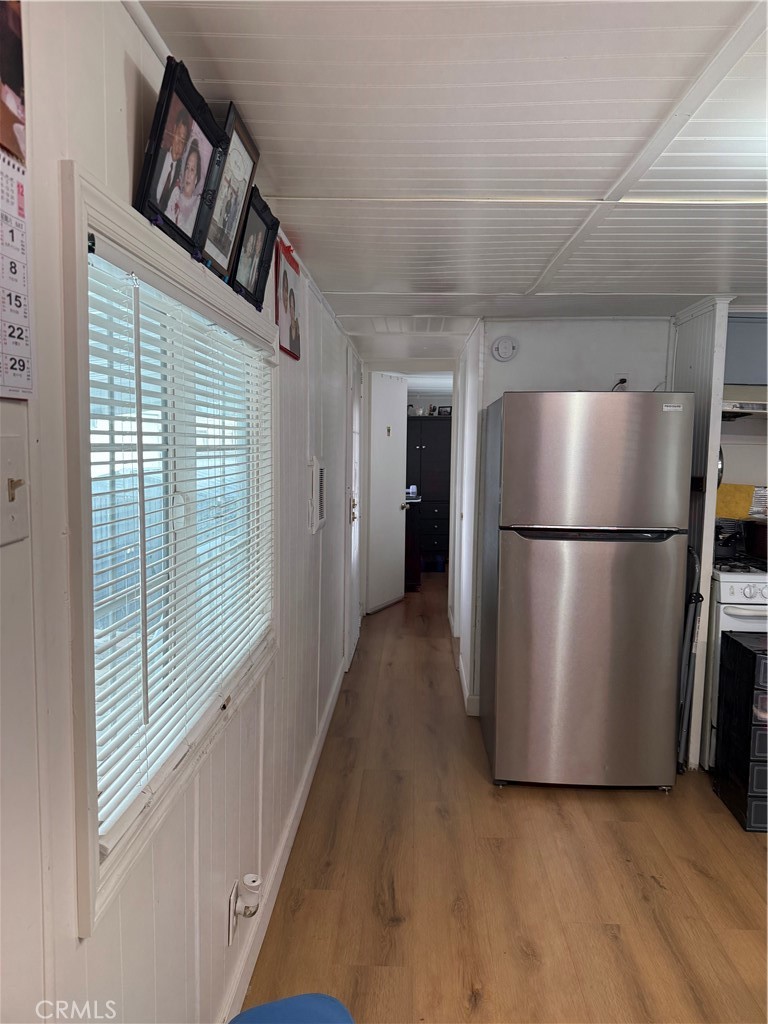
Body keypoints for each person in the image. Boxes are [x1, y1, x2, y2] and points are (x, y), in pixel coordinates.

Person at [154, 106, 191, 212]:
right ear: (174, 130)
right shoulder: (159, 155)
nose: (179, 144)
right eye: (178, 136)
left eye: (183, 140)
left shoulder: (181, 171)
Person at [166, 139, 201, 235]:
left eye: (192, 170)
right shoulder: (175, 195)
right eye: (187, 168)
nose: (188, 174)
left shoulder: (197, 204)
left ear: (196, 179)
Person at [288, 287, 300, 353]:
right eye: (290, 306)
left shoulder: (298, 329)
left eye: (293, 307)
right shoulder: (288, 328)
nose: (291, 310)